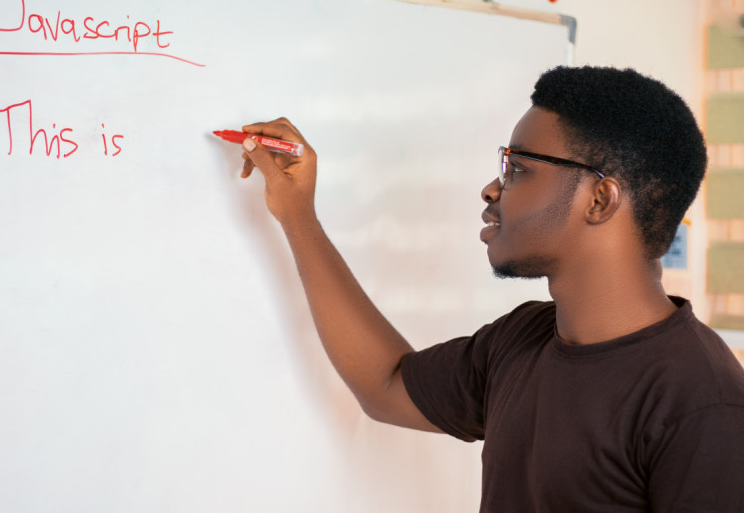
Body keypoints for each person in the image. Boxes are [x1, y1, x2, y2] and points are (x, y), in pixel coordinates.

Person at [236, 66, 744, 511]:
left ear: (599, 199)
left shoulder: (702, 404)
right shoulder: (522, 339)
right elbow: (386, 386)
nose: (492, 188)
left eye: (518, 168)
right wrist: (299, 216)